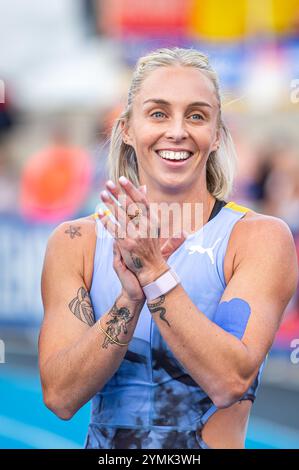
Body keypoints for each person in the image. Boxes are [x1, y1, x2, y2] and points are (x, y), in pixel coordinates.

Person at [39, 47, 298, 449]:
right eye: (158, 113)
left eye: (196, 115)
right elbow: (59, 395)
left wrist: (154, 273)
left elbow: (229, 381)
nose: (177, 131)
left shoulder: (259, 238)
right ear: (126, 128)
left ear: (217, 135)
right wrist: (129, 298)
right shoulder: (76, 242)